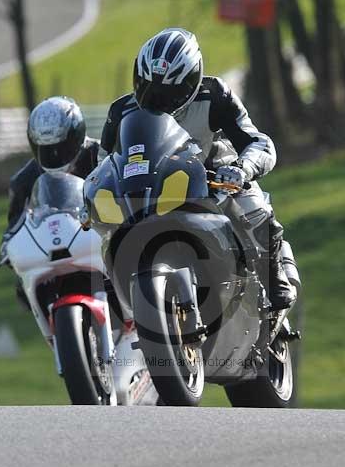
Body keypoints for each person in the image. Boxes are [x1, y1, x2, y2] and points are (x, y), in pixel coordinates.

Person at [98, 27, 296, 310]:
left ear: (192, 80)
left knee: (255, 208)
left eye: (170, 92)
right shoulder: (121, 111)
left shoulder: (215, 95)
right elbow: (103, 162)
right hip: (147, 190)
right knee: (101, 234)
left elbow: (258, 141)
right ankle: (116, 290)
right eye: (149, 89)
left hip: (210, 180)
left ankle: (273, 274)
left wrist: (242, 169)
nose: (159, 102)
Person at [0, 96, 99, 306]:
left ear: (77, 136)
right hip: (54, 252)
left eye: (61, 146)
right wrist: (8, 247)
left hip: (98, 240)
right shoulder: (23, 180)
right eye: (47, 149)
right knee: (24, 289)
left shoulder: (101, 157)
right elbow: (14, 226)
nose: (55, 155)